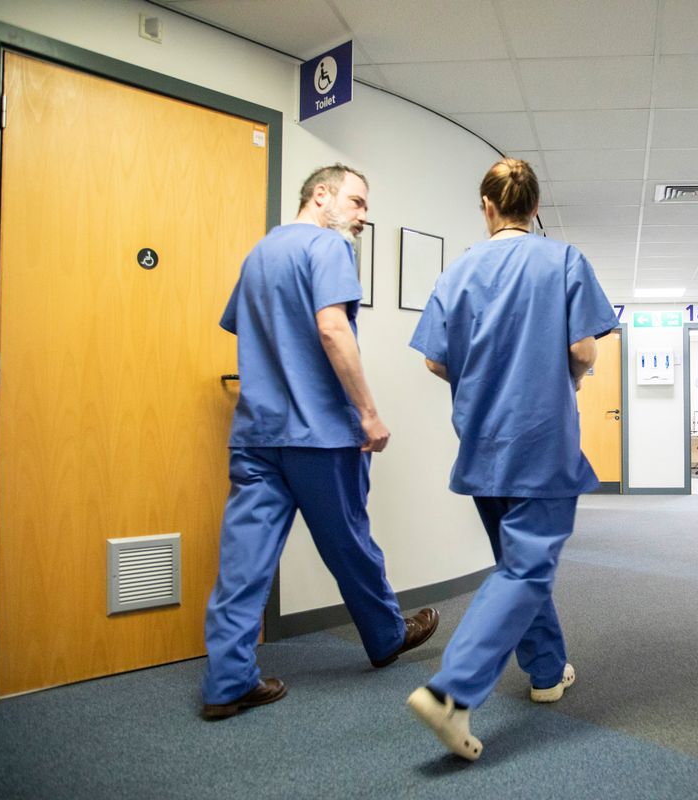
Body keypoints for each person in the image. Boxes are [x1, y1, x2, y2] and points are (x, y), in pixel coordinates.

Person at [201, 164, 439, 720]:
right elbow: (332, 330)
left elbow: (248, 327)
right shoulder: (327, 247)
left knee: (245, 559)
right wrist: (369, 414)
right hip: (320, 434)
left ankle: (227, 681)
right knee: (349, 542)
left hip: (258, 433)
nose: (362, 215)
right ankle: (385, 637)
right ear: (321, 195)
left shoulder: (259, 254)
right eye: (356, 202)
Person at [406, 158, 618, 760]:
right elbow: (583, 347)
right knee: (526, 569)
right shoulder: (563, 260)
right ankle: (452, 692)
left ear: (488, 206)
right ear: (534, 208)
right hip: (541, 440)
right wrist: (569, 374)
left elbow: (434, 360)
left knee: (517, 564)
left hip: (482, 440)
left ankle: (547, 671)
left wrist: (483, 374)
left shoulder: (459, 271)